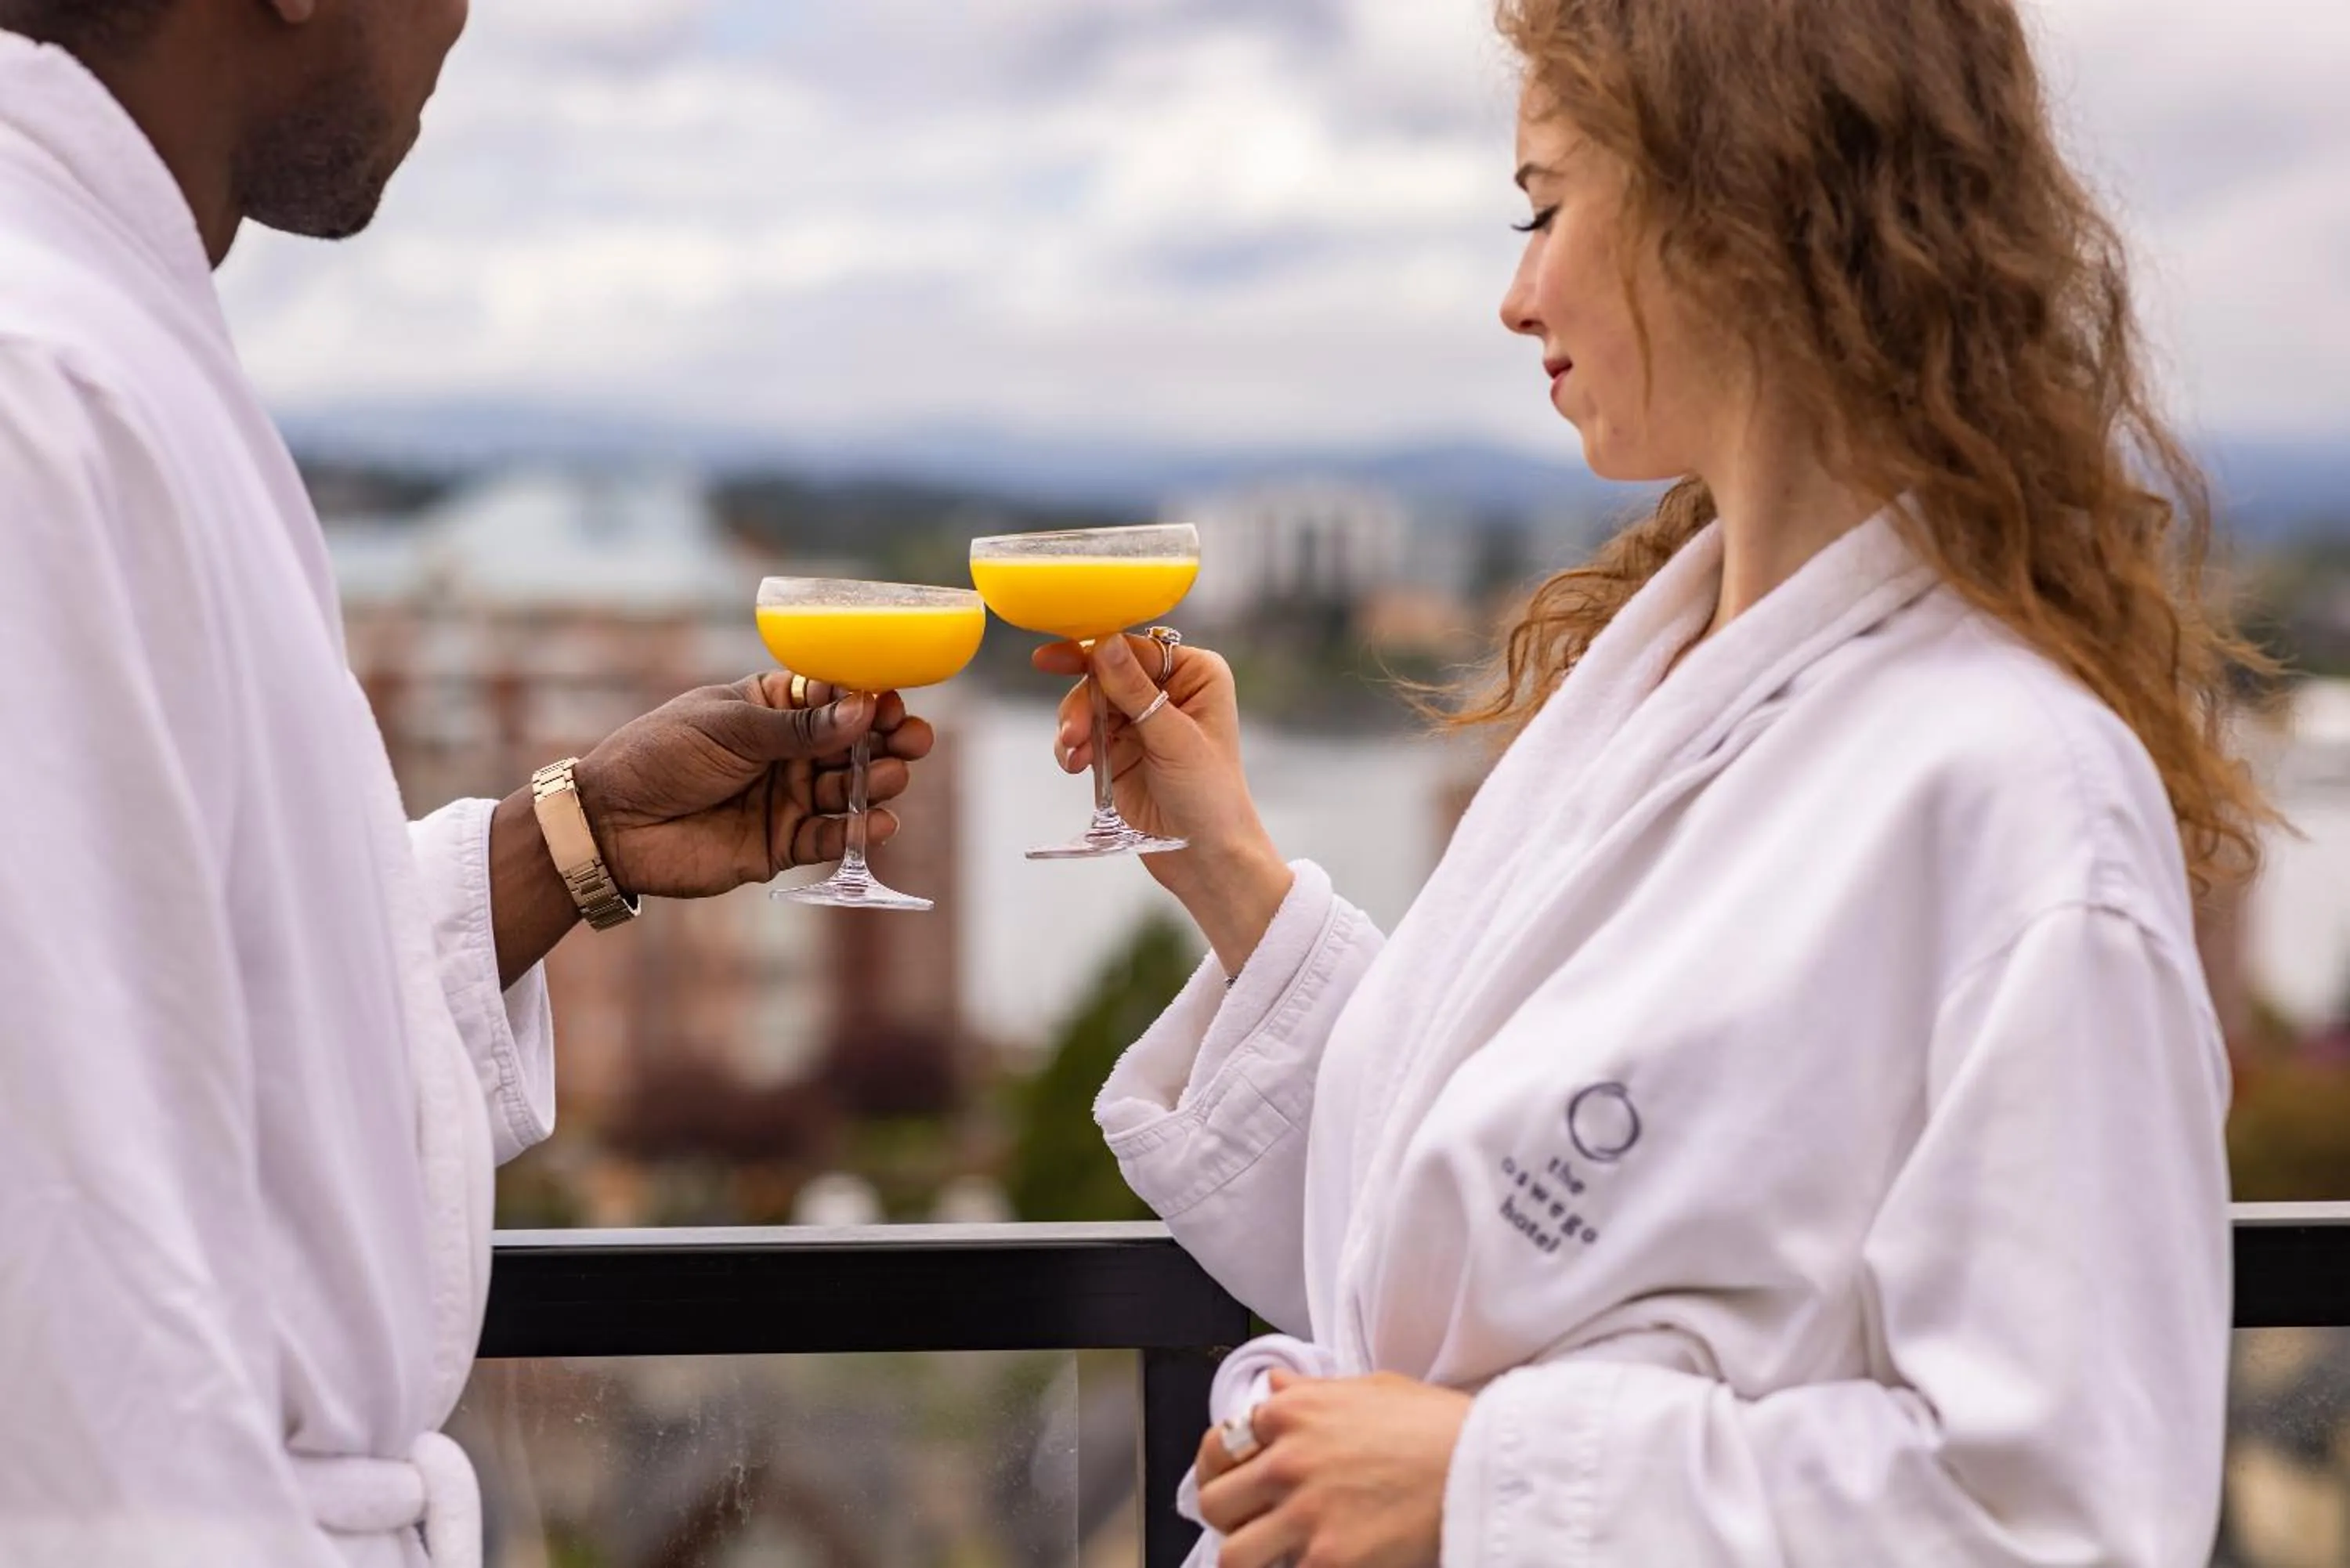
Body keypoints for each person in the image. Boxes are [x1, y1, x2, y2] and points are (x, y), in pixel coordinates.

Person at [1043, 0, 2264, 1563]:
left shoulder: (2018, 796)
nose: (1514, 291)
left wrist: (1491, 1480)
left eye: (1543, 205)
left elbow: (2068, 1515)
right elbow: (1469, 1246)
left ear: (1734, 202)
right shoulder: (1667, 676)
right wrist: (1233, 874)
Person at [0, 4, 934, 1566]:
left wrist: (565, 843)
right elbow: (74, 1353)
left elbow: (209, 1005)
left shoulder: (103, 337)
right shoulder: (48, 399)